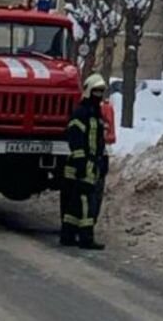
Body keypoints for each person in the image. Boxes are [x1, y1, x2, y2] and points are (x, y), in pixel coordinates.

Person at [60, 73, 108, 249]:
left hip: (91, 163)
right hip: (81, 164)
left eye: (101, 92)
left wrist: (104, 159)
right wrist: (81, 160)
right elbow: (75, 137)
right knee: (87, 200)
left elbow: (99, 140)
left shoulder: (96, 114)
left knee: (74, 201)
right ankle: (86, 237)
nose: (99, 95)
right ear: (88, 91)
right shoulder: (81, 113)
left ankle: (68, 235)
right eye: (96, 91)